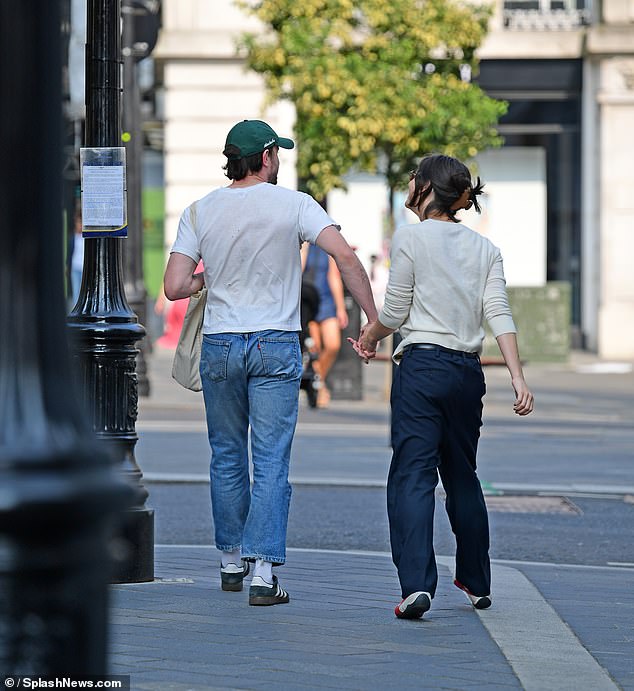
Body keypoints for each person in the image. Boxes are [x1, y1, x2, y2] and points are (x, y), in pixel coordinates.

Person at [163, 119, 377, 606]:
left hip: (219, 344)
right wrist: (370, 319)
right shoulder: (296, 204)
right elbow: (344, 258)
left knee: (226, 455)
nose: (277, 160)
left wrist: (206, 281)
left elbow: (175, 286)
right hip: (275, 344)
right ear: (264, 157)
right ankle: (263, 574)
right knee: (271, 457)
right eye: (275, 153)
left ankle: (230, 561)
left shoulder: (200, 210)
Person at [349, 154, 534, 620]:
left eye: (413, 178)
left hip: (421, 369)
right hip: (467, 374)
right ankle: (476, 580)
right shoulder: (485, 249)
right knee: (462, 476)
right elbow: (499, 314)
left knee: (412, 476)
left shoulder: (410, 238)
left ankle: (416, 585)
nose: (409, 184)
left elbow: (394, 312)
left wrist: (369, 337)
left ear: (428, 188)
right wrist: (516, 377)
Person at [302, 244, 348, 407]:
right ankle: (319, 388)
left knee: (333, 345)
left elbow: (334, 277)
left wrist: (340, 308)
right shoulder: (302, 244)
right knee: (314, 348)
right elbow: (298, 270)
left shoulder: (326, 244)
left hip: (326, 300)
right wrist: (304, 248)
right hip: (308, 300)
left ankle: (317, 381)